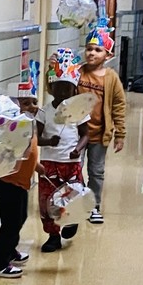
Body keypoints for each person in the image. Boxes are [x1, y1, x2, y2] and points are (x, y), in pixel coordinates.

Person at [36, 49, 89, 253]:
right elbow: (36, 138)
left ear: (74, 90)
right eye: (59, 88)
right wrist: (48, 141)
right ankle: (53, 236)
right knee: (48, 200)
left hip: (71, 163)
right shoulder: (44, 112)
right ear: (52, 88)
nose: (63, 93)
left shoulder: (78, 110)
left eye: (67, 89)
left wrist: (78, 149)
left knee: (72, 195)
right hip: (49, 163)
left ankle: (71, 220)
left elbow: (86, 135)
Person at [0, 95, 42, 278]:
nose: (32, 106)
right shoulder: (12, 128)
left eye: (34, 102)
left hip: (19, 184)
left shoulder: (27, 125)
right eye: (26, 103)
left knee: (20, 218)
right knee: (11, 224)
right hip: (7, 184)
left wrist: (38, 167)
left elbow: (28, 155)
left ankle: (9, 251)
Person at [77, 27, 127, 224]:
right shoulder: (77, 72)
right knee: (74, 169)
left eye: (98, 50)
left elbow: (119, 105)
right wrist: (54, 69)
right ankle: (75, 202)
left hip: (99, 133)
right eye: (89, 49)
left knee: (96, 172)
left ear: (108, 55)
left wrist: (120, 134)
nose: (92, 53)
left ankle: (94, 206)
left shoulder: (111, 77)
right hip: (77, 134)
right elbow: (60, 90)